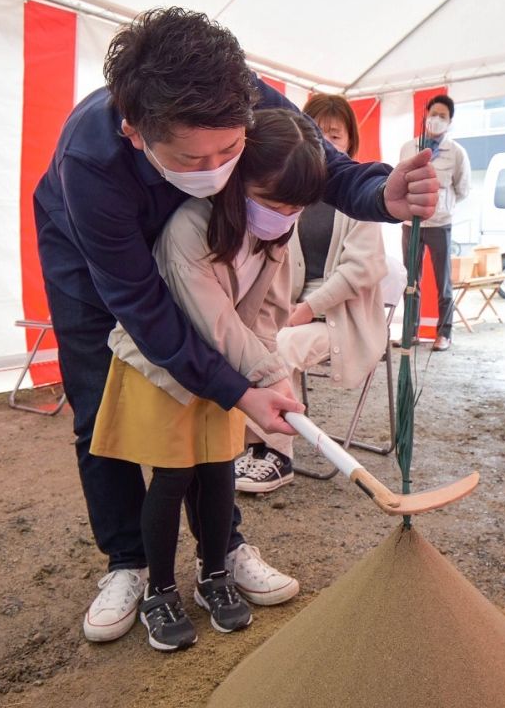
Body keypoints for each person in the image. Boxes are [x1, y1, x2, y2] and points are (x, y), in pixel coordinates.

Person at [33, 8, 438, 643]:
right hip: (91, 257)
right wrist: (239, 388)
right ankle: (129, 563)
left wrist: (377, 194)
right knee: (96, 400)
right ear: (136, 133)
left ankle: (221, 551)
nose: (218, 167)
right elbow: (147, 313)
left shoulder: (240, 90)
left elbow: (314, 160)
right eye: (195, 156)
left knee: (213, 407)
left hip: (206, 240)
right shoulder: (89, 162)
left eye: (230, 148)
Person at [89, 108, 325, 651]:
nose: (283, 216)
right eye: (273, 201)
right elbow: (213, 321)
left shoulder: (277, 233)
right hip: (166, 367)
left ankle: (214, 576)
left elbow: (266, 315)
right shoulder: (188, 230)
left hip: (229, 370)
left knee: (220, 471)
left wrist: (274, 376)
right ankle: (160, 590)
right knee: (172, 477)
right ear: (237, 177)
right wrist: (263, 378)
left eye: (295, 207)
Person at [236, 95, 387, 493]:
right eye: (316, 132)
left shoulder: (357, 200)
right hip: (294, 313)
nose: (324, 142)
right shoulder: (292, 195)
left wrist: (309, 307)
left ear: (350, 143)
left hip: (343, 321)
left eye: (333, 134)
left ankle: (276, 456)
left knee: (279, 349)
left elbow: (362, 268)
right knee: (251, 344)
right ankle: (252, 449)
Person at [398, 95, 471, 351]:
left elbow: (462, 188)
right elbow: (400, 180)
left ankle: (444, 333)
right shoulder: (409, 147)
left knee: (443, 281)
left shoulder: (457, 152)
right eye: (434, 114)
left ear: (450, 122)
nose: (437, 120)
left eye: (443, 116)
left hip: (440, 223)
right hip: (411, 222)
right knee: (411, 282)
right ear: (425, 114)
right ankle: (410, 332)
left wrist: (443, 205)